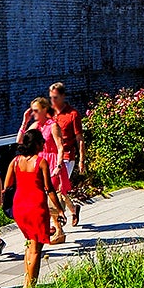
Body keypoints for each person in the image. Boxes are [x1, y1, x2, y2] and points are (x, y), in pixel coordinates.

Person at [3, 126, 61, 288]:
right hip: (36, 207)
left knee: (29, 243)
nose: (43, 143)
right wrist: (59, 209)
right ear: (36, 144)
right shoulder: (41, 162)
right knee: (36, 248)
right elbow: (49, 189)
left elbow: (7, 185)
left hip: (19, 207)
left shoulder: (15, 162)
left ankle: (26, 281)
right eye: (42, 141)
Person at [18, 97, 68, 240]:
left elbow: (60, 147)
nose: (33, 113)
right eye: (32, 111)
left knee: (51, 197)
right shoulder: (35, 126)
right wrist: (25, 121)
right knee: (40, 198)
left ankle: (58, 229)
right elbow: (20, 141)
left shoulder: (53, 126)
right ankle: (55, 229)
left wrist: (58, 165)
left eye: (36, 111)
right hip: (38, 163)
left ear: (44, 110)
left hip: (51, 162)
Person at [49, 83, 84, 226]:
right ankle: (73, 209)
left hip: (67, 157)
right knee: (55, 188)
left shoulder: (72, 114)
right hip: (52, 156)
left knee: (57, 188)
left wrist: (82, 160)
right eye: (51, 97)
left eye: (56, 97)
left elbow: (80, 139)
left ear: (63, 96)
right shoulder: (50, 113)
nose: (53, 100)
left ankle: (57, 224)